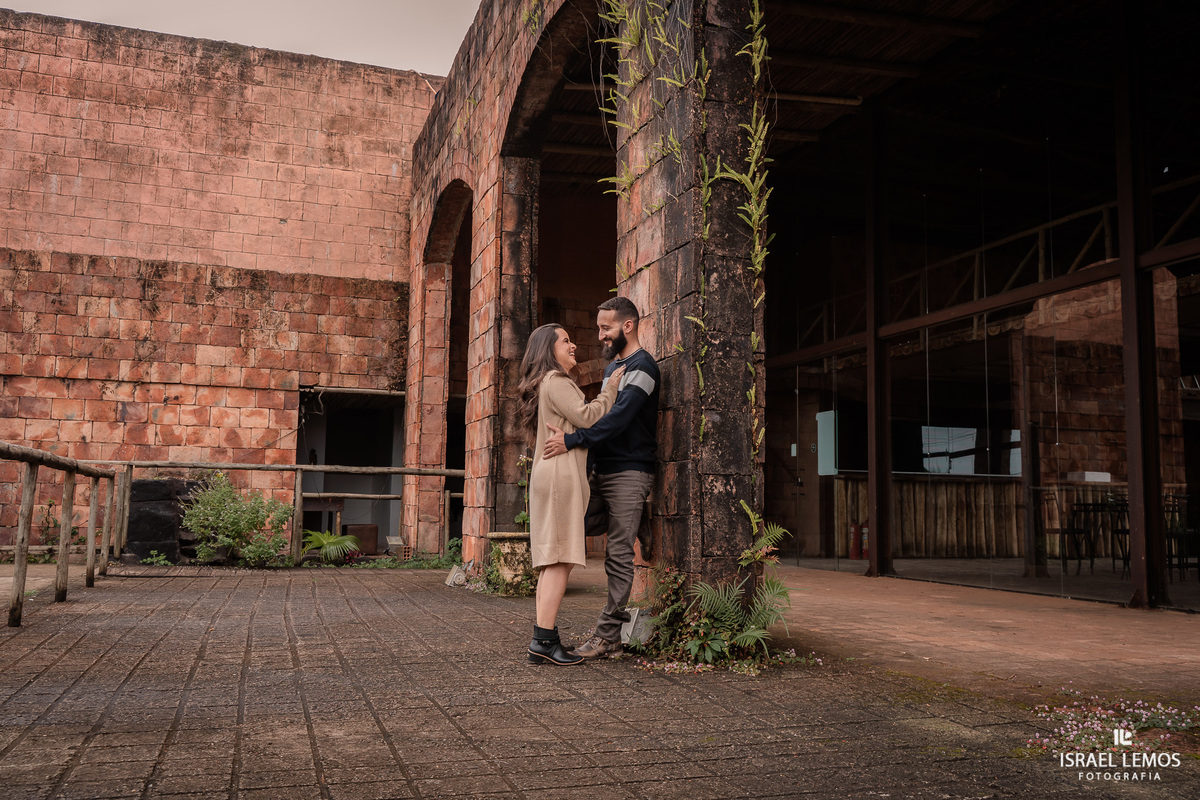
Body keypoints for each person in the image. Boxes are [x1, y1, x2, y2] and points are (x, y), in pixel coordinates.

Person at [542, 296, 659, 661]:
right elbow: (595, 415)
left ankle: (608, 637)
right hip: (599, 470)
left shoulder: (644, 367)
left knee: (618, 556)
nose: (601, 336)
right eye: (599, 329)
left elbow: (617, 419)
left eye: (606, 328)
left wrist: (571, 441)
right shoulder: (612, 370)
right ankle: (638, 521)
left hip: (630, 470)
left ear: (628, 326)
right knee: (577, 525)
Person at [517, 323, 625, 666]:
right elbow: (588, 417)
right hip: (560, 477)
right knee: (560, 560)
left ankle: (543, 639)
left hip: (553, 475)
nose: (573, 344)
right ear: (550, 349)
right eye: (565, 341)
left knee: (554, 560)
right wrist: (610, 388)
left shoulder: (547, 383)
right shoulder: (557, 381)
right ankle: (543, 642)